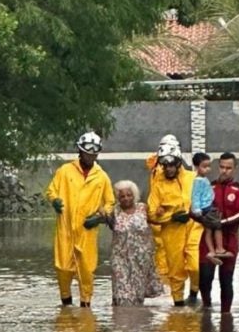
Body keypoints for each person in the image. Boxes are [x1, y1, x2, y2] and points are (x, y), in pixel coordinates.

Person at [46, 131, 115, 307]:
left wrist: (99, 217)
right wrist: (55, 201)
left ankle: (86, 307)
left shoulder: (102, 177)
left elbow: (109, 202)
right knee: (63, 268)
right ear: (80, 151)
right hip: (66, 228)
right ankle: (66, 305)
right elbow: (51, 190)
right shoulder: (65, 171)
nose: (90, 156)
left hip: (87, 230)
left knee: (86, 270)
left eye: (93, 153)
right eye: (87, 152)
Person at [147, 143, 203, 307]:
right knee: (175, 271)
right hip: (171, 233)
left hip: (194, 228)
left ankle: (194, 294)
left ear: (179, 163)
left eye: (172, 165)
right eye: (165, 165)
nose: (169, 169)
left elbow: (206, 200)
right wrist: (171, 217)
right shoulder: (158, 185)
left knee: (195, 265)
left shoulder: (193, 178)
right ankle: (178, 306)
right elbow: (151, 213)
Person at [198, 152, 239, 314]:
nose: (224, 171)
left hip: (230, 239)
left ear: (234, 169)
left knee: (226, 279)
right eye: (222, 167)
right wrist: (205, 220)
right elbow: (194, 208)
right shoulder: (208, 187)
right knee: (205, 278)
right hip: (207, 239)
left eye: (228, 168)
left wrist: (222, 223)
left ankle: (226, 315)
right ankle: (206, 308)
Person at [110, 180, 163, 306]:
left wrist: (161, 213)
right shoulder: (114, 211)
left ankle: (137, 322)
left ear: (134, 195)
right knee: (121, 292)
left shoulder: (143, 208)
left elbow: (156, 220)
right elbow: (98, 214)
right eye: (122, 196)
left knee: (137, 294)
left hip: (141, 259)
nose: (126, 198)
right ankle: (120, 321)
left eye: (129, 195)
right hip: (120, 259)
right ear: (118, 197)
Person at [146, 134, 181, 284]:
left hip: (169, 217)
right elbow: (157, 191)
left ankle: (168, 285)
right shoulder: (159, 171)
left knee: (171, 255)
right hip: (161, 216)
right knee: (164, 253)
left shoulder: (158, 167)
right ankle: (166, 286)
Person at [191, 152, 229, 266]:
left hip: (207, 208)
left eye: (209, 166)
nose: (208, 169)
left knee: (208, 230)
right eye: (204, 166)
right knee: (217, 227)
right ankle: (219, 248)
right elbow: (195, 196)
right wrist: (196, 208)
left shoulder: (203, 179)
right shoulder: (198, 181)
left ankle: (211, 251)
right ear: (197, 167)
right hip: (207, 208)